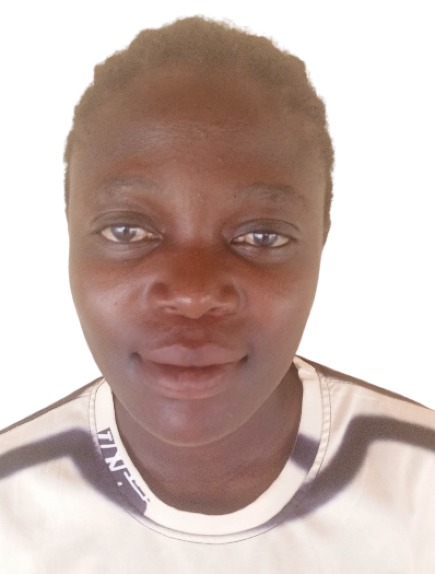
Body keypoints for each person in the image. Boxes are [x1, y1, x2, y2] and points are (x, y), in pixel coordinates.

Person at [0, 16, 434, 572]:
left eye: (261, 236)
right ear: (69, 232)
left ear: (322, 239)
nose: (193, 294)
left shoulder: (421, 492)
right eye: (127, 230)